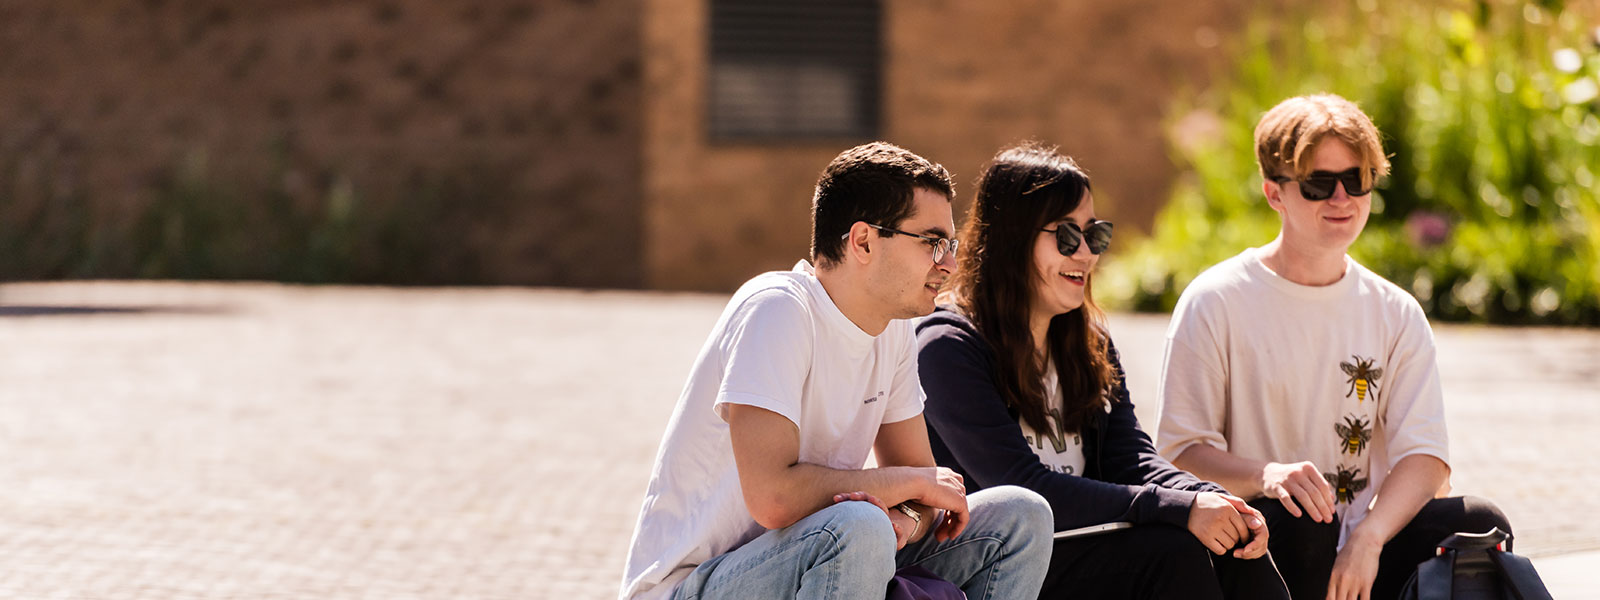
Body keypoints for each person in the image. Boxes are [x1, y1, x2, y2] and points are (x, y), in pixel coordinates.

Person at [619, 142, 1054, 600]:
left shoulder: (893, 330)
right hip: (693, 585)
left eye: (950, 245)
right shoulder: (777, 310)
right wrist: (899, 486)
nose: (949, 264)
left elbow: (925, 494)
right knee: (857, 527)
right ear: (863, 241)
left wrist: (905, 518)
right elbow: (774, 499)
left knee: (1021, 516)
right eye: (932, 243)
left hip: (828, 555)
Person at [1155, 94, 1511, 600]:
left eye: (1356, 179)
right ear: (1275, 193)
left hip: (1359, 561)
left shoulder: (1395, 311)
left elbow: (1425, 456)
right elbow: (1181, 454)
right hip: (1262, 549)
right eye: (1319, 184)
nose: (1342, 198)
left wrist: (1369, 537)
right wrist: (1266, 476)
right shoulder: (1215, 300)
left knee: (1479, 521)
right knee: (1305, 518)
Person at [916, 142, 1289, 599]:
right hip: (1001, 564)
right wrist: (1179, 507)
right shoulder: (948, 346)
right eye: (1066, 236)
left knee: (1234, 538)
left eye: (1094, 235)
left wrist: (1210, 499)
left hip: (1084, 548)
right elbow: (1023, 489)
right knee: (1171, 549)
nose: (1086, 254)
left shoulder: (1087, 341)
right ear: (1012, 238)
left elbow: (1130, 458)